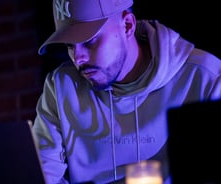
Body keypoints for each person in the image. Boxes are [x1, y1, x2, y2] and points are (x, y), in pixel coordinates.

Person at [32, 0, 221, 183]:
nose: (78, 58)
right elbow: (41, 175)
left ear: (128, 25)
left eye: (89, 41)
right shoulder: (61, 88)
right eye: (69, 46)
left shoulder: (204, 79)